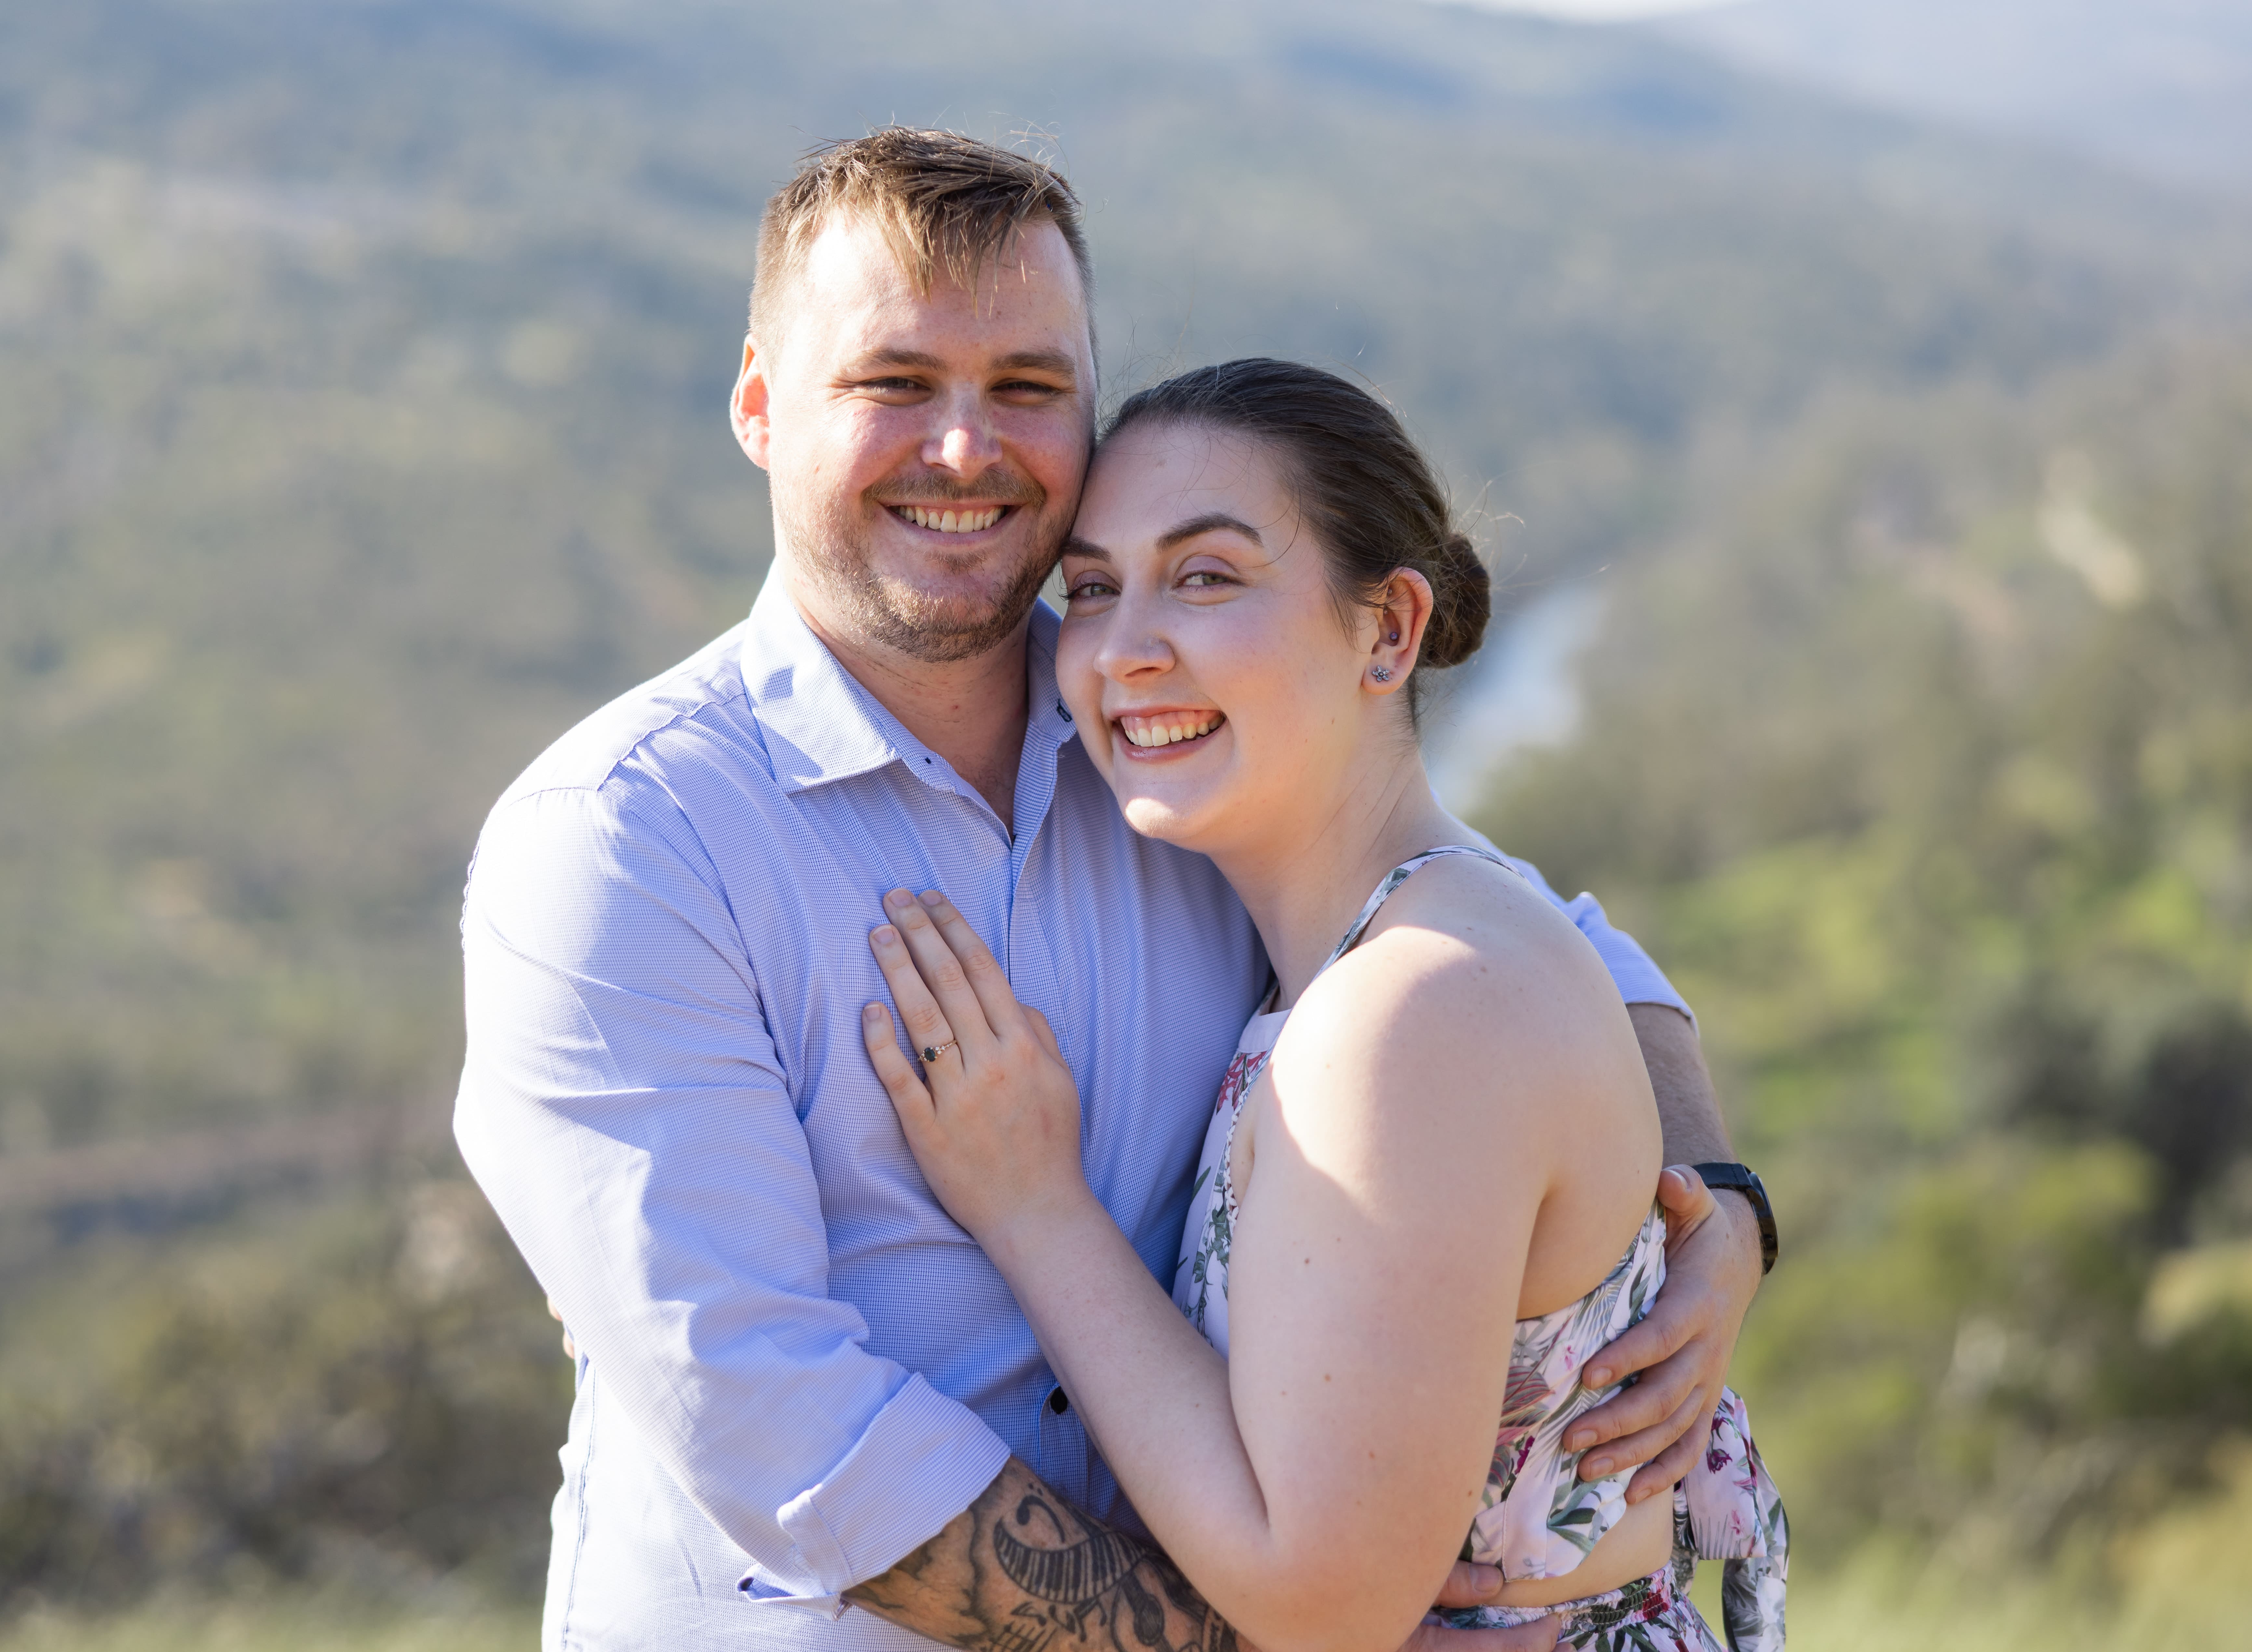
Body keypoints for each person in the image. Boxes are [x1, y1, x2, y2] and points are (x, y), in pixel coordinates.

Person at [453, 128, 1773, 1652]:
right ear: (759, 402)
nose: (966, 448)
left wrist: (1708, 1206)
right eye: (895, 385)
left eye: (1027, 387)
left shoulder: (1167, 744)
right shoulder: (625, 842)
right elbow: (778, 1426)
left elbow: (1529, 952)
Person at [857, 359, 1787, 1652]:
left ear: (1389, 631)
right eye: (1093, 587)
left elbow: (1322, 1596)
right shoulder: (1412, 932)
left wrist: (1035, 1205)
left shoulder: (1406, 1013)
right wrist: (1727, 1193)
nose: (1124, 650)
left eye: (1208, 576)